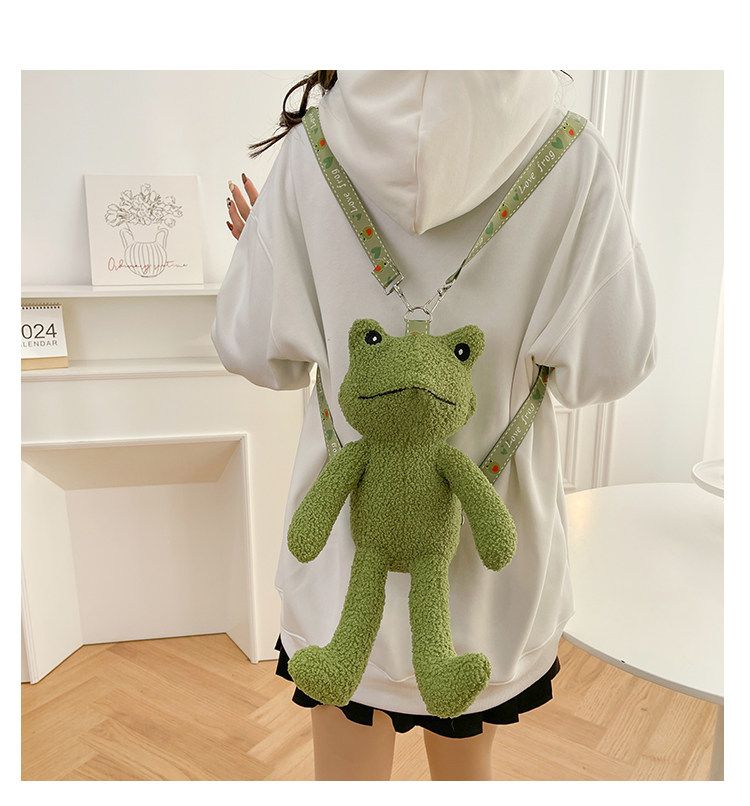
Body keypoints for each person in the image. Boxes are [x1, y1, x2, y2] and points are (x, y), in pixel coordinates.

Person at [212, 70, 656, 781]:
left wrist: (276, 261)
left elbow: (252, 348)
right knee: (465, 770)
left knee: (344, 773)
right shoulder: (573, 157)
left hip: (341, 560)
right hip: (489, 574)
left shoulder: (310, 154)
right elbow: (614, 360)